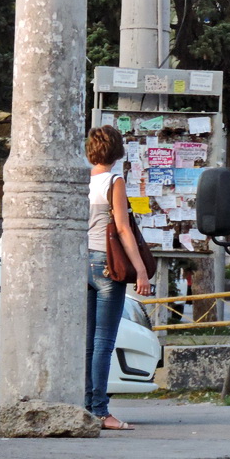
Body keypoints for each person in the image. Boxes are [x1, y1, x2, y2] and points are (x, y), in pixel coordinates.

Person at [87, 125, 152, 431]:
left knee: (88, 343)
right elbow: (123, 229)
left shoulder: (84, 180)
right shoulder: (114, 181)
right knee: (103, 342)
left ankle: (86, 407)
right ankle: (100, 411)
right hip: (107, 264)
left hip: (82, 263)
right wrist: (140, 270)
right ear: (116, 152)